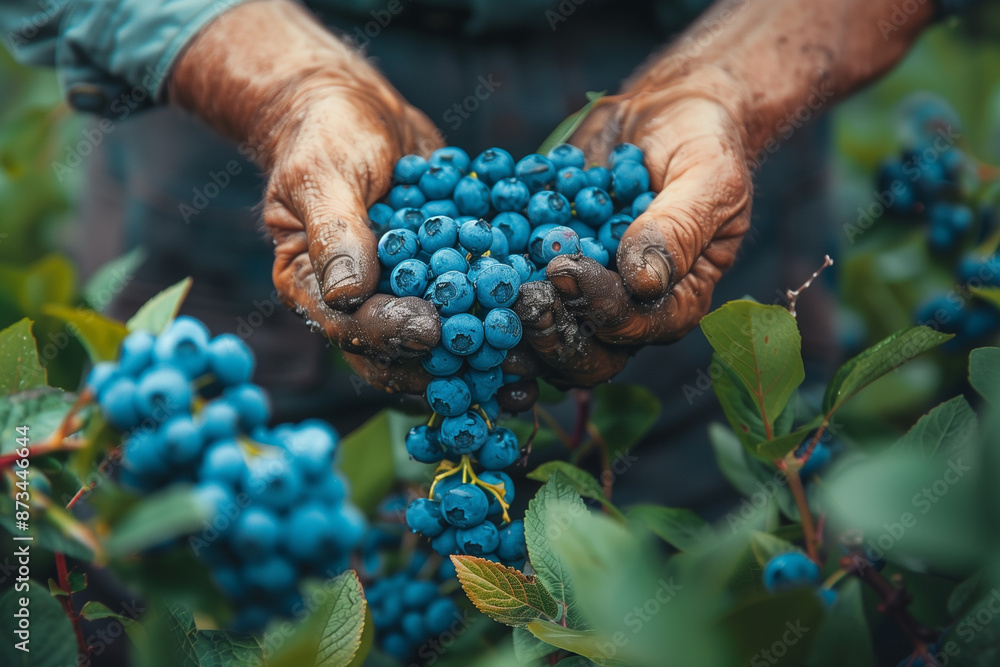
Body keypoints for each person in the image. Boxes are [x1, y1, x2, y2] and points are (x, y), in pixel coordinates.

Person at [0, 0, 965, 510]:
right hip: (244, 75)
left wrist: (732, 88)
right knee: (183, 521)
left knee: (703, 527)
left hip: (725, 57)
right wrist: (294, 93)